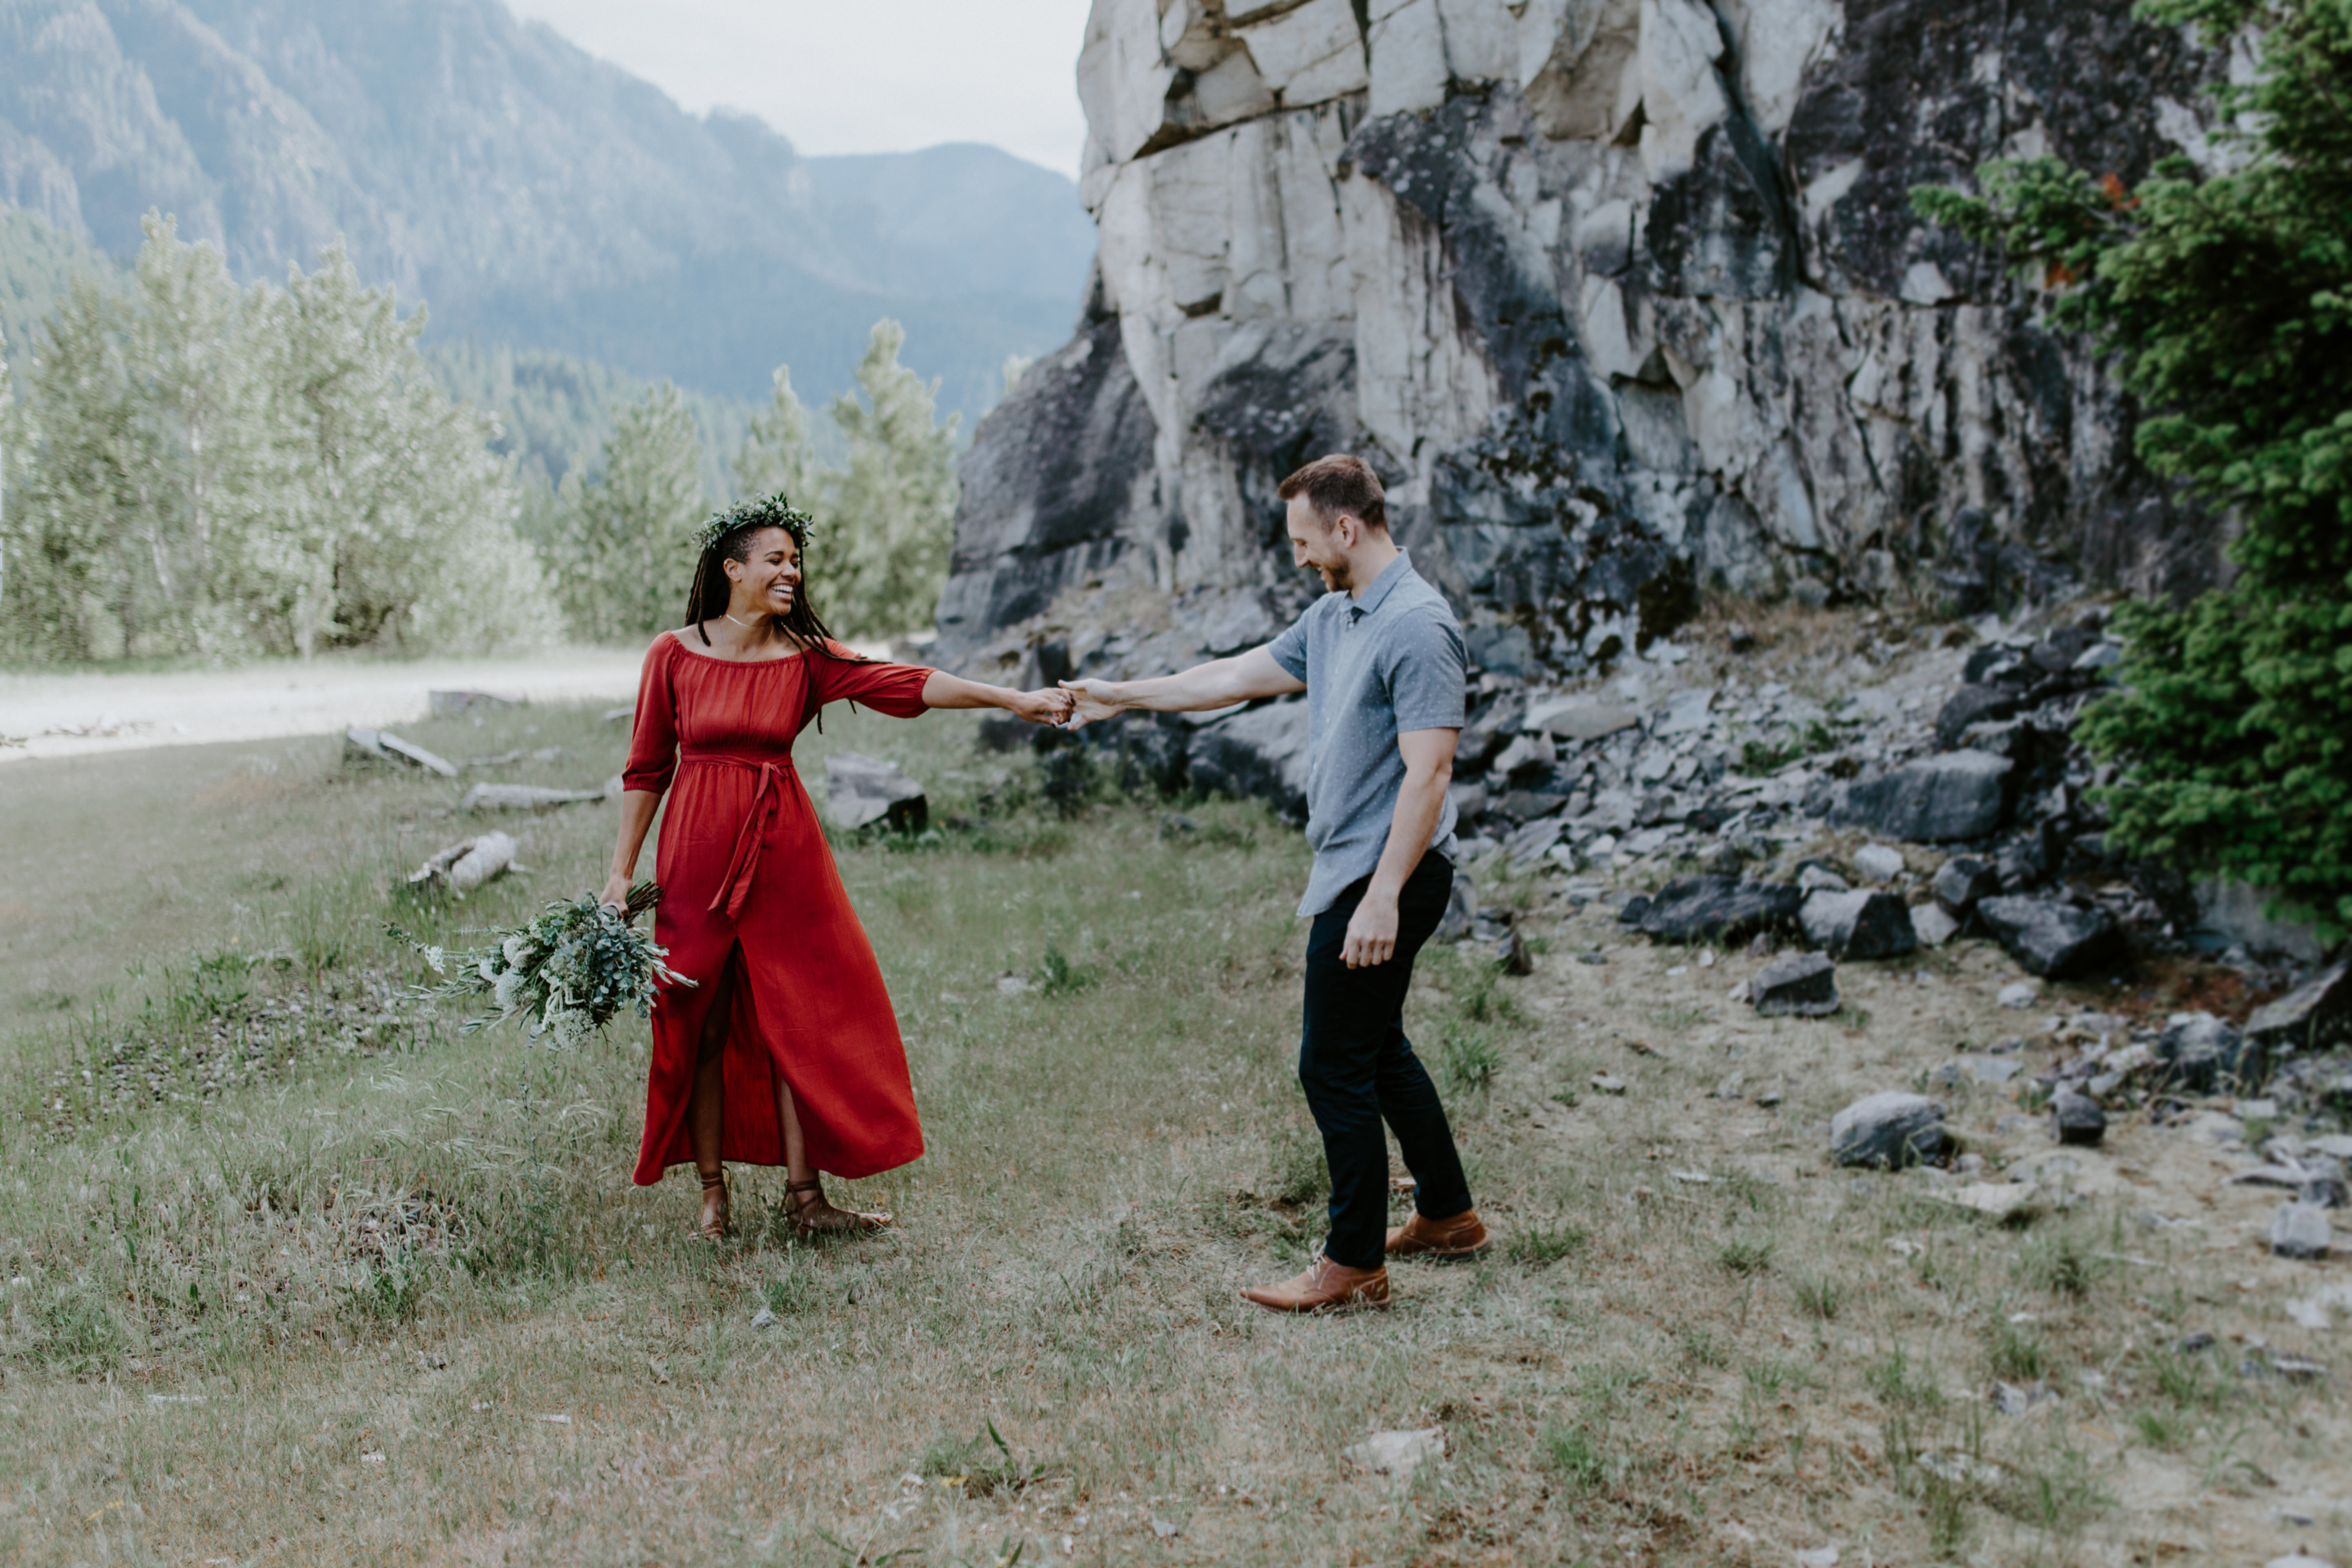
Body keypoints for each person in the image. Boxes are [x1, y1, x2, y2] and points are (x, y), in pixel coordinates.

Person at [1060, 454, 1491, 1314]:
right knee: (1376, 1048)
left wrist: (1378, 898)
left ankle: (1354, 1263)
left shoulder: (1416, 625)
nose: (1297, 557)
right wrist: (1119, 695)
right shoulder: (1338, 617)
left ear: (1347, 527)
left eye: (1303, 541)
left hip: (1390, 877)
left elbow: (1431, 775)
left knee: (1332, 1062)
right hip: (1360, 870)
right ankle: (1448, 1216)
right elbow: (1231, 675)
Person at [603, 495, 1071, 1240]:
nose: (792, 571)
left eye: (796, 561)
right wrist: (620, 877)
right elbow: (646, 768)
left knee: (804, 1017)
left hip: (784, 852)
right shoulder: (674, 653)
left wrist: (1013, 700)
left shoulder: (808, 659)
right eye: (777, 559)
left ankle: (806, 1199)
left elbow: (908, 683)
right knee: (698, 1020)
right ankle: (712, 1194)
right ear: (734, 569)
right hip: (694, 853)